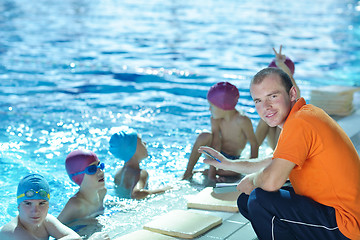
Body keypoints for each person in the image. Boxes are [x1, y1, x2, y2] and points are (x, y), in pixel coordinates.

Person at [200, 67, 360, 240]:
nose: (265, 107)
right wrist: (229, 164)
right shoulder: (303, 115)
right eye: (258, 100)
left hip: (346, 225)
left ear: (292, 94)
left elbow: (271, 182)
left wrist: (254, 179)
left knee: (260, 200)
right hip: (335, 213)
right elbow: (273, 161)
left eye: (273, 96)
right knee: (247, 201)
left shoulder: (300, 123)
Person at [182, 81, 259, 182]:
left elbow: (254, 144)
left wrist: (251, 169)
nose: (209, 109)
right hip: (217, 154)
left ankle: (212, 171)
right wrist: (211, 175)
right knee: (204, 136)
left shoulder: (242, 121)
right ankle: (188, 172)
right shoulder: (215, 119)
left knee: (236, 171)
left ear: (223, 107)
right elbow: (216, 144)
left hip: (232, 159)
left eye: (212, 106)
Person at [0, 173, 82, 240]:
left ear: (48, 205)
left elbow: (77, 238)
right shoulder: (13, 232)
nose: (35, 211)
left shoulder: (45, 220)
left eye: (42, 203)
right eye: (28, 203)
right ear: (18, 206)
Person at [255, 45, 300, 150]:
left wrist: (281, 64)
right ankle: (253, 152)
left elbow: (291, 80)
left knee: (284, 117)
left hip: (281, 146)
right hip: (274, 143)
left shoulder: (293, 94)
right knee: (265, 117)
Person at [58, 149, 109, 240]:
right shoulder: (76, 205)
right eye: (92, 169)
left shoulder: (102, 192)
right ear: (78, 177)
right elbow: (54, 229)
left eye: (100, 165)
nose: (100, 171)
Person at [109, 129, 172, 200]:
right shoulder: (140, 173)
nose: (145, 143)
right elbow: (136, 194)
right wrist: (165, 189)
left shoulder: (119, 173)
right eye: (141, 141)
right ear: (133, 149)